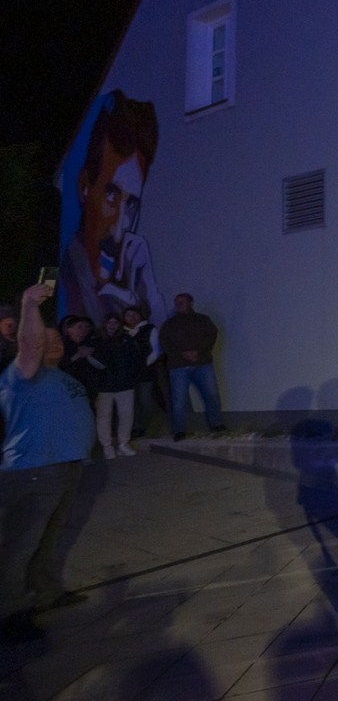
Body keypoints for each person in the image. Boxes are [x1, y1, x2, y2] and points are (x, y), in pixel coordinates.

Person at [0, 283, 94, 643]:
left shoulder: (61, 375)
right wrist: (29, 305)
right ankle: (8, 613)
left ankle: (46, 592)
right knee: (20, 544)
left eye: (57, 340)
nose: (52, 344)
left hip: (66, 467)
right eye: (46, 339)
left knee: (49, 537)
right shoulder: (23, 375)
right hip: (34, 470)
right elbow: (30, 345)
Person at [61, 90, 165, 326]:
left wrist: (148, 290)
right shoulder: (70, 280)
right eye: (111, 195)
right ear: (84, 187)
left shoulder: (126, 281)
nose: (119, 232)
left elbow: (164, 340)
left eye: (131, 204)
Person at [159, 293, 225, 439]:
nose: (178, 304)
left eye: (181, 302)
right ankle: (179, 430)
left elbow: (211, 336)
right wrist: (182, 354)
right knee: (179, 399)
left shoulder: (203, 320)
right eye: (176, 302)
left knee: (212, 395)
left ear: (190, 303)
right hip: (178, 366)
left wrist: (198, 352)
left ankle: (217, 424)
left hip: (202, 364)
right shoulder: (169, 324)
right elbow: (165, 344)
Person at [92, 313, 140, 457]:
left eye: (115, 323)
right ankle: (106, 445)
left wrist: (131, 376)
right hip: (104, 385)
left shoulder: (127, 339)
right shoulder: (96, 340)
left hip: (125, 384)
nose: (112, 326)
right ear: (104, 324)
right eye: (109, 322)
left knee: (126, 414)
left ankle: (123, 443)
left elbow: (135, 359)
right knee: (103, 416)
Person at [121, 305, 159, 438]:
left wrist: (143, 364)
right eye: (128, 315)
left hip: (145, 372)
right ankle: (131, 427)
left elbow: (156, 350)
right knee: (130, 402)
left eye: (134, 314)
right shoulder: (122, 332)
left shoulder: (149, 329)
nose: (131, 317)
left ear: (140, 315)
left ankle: (141, 426)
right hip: (127, 373)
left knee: (144, 401)